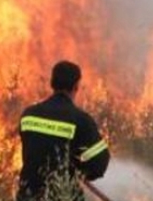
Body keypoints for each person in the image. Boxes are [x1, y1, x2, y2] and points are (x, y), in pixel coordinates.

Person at [17, 60, 110, 201]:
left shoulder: (28, 115)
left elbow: (37, 149)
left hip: (28, 195)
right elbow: (100, 162)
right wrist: (77, 169)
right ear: (76, 86)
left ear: (52, 83)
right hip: (62, 195)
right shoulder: (81, 120)